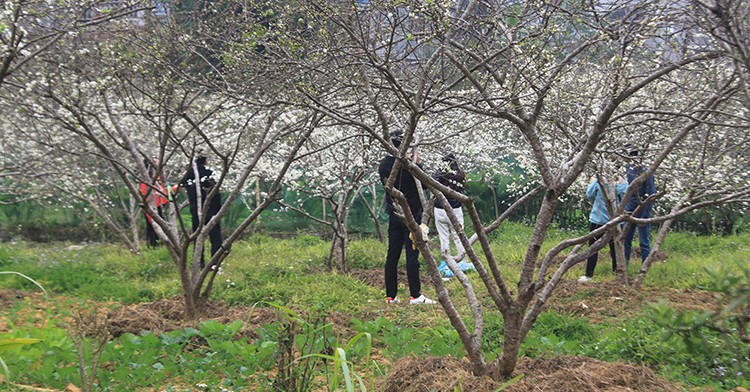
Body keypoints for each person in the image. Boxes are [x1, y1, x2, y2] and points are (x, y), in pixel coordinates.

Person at [378, 131, 435, 305]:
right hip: (411, 216)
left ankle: (391, 296)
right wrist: (417, 163)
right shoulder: (410, 165)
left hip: (394, 214)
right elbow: (426, 184)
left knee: (392, 255)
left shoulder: (384, 164)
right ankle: (415, 295)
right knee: (412, 255)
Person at [579, 175, 627, 282]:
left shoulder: (599, 180)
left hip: (598, 219)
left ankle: (589, 275)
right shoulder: (621, 182)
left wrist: (592, 182)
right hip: (616, 220)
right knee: (616, 248)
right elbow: (625, 197)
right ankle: (616, 274)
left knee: (593, 248)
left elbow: (589, 195)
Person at [179, 154, 223, 269]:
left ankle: (199, 264)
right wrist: (219, 210)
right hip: (211, 209)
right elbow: (217, 193)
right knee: (216, 238)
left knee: (198, 238)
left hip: (195, 210)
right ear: (206, 161)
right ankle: (215, 265)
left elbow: (182, 183)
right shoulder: (211, 173)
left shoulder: (190, 174)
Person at [623, 145, 656, 264]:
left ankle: (645, 266)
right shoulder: (628, 170)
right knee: (625, 238)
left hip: (642, 208)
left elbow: (651, 193)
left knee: (644, 241)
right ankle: (624, 264)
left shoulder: (646, 171)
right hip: (630, 209)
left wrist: (645, 215)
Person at [431, 153, 467, 258]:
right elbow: (463, 188)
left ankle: (447, 259)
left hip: (440, 209)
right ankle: (462, 258)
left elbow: (432, 183)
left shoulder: (439, 174)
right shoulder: (460, 175)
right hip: (455, 209)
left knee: (443, 236)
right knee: (458, 235)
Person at [139, 159, 168, 247]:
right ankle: (153, 247)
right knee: (153, 230)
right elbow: (145, 195)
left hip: (160, 206)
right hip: (152, 207)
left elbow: (166, 193)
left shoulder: (158, 179)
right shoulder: (145, 181)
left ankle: (158, 246)